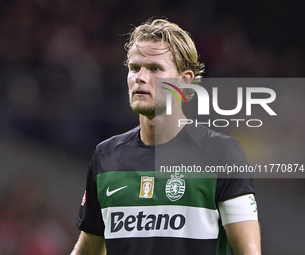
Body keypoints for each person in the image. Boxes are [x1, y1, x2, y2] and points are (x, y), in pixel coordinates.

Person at [70, 19, 261, 255]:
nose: (140, 77)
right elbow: (88, 249)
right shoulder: (107, 156)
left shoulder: (221, 153)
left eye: (154, 68)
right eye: (134, 68)